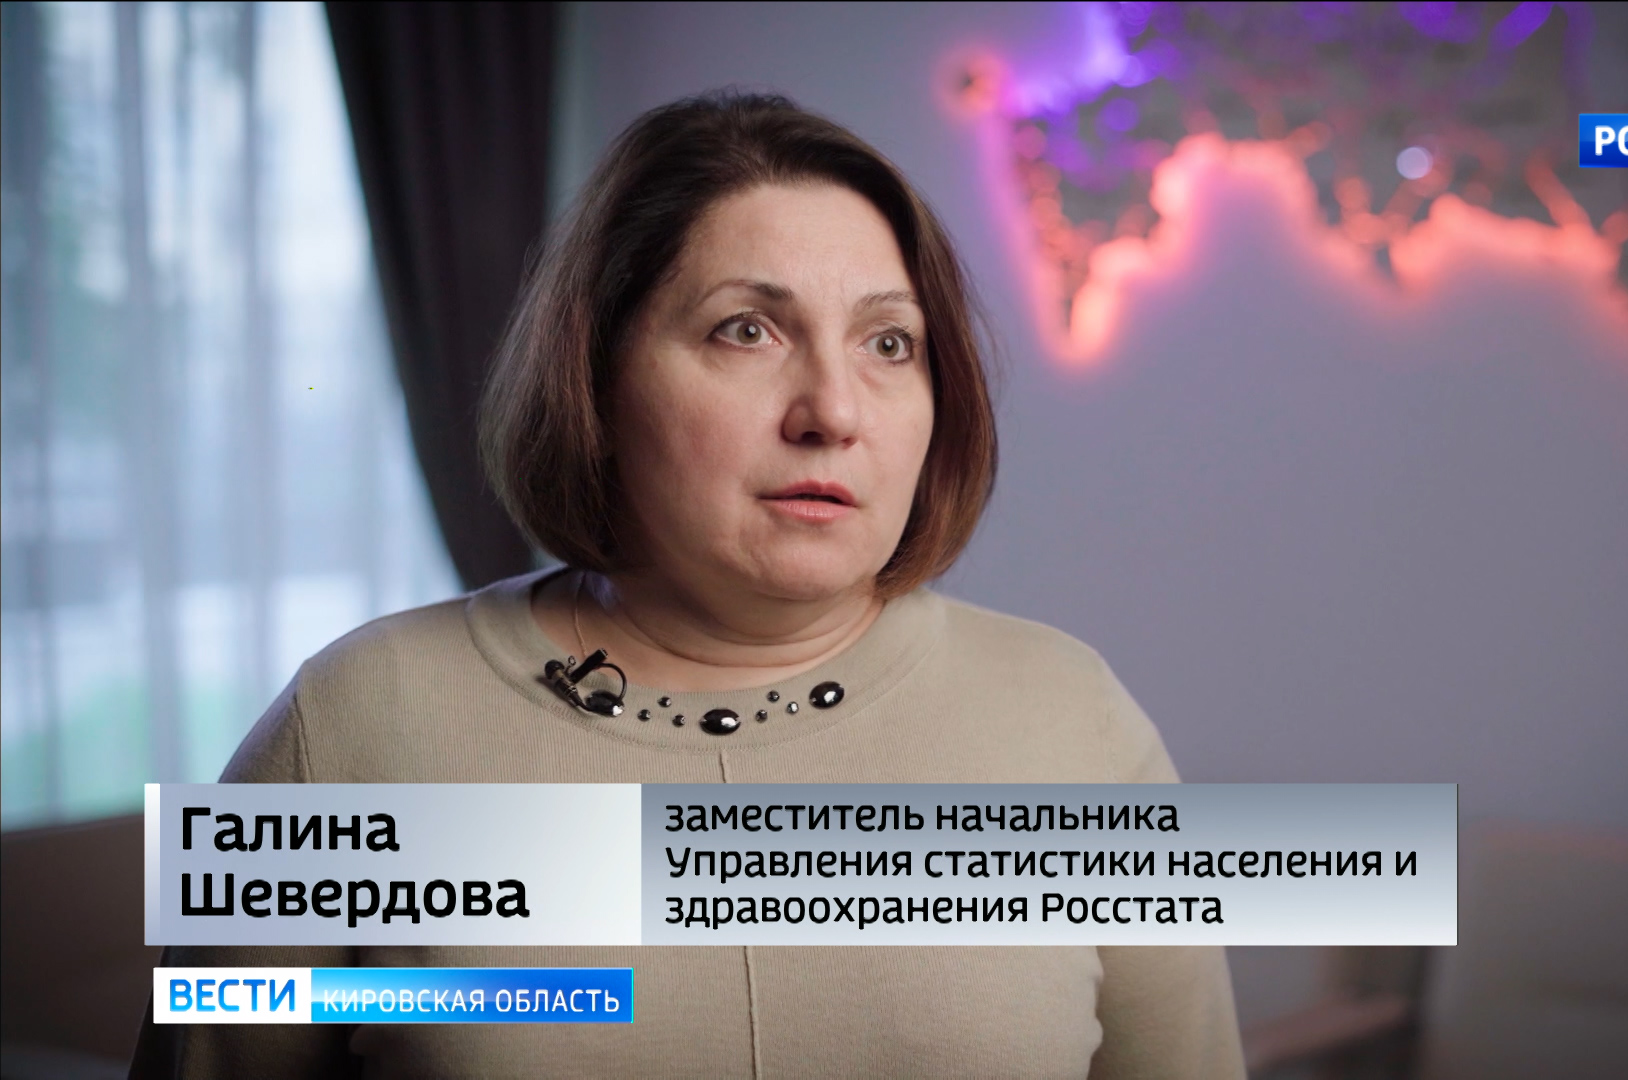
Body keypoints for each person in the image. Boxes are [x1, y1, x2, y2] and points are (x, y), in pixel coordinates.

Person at [131, 90, 1244, 1079]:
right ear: (595, 376)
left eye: (889, 344)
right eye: (746, 330)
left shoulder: (1074, 719)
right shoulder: (350, 723)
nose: (833, 410)